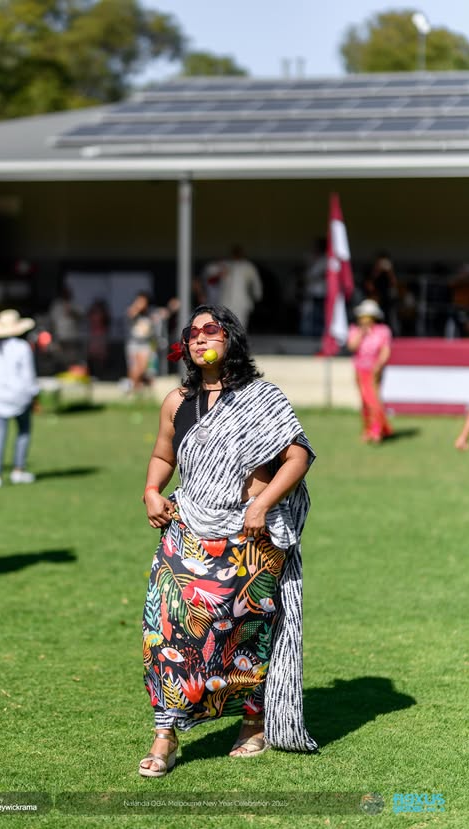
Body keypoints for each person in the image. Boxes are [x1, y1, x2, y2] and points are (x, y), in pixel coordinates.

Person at [139, 304, 317, 777]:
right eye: (191, 332)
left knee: (243, 635)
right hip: (187, 531)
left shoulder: (263, 397)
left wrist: (261, 505)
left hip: (250, 537)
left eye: (209, 329)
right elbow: (162, 454)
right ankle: (165, 734)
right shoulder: (177, 401)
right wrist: (152, 490)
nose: (198, 338)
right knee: (165, 629)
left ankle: (252, 722)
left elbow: (297, 457)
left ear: (231, 338)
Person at [0, 309, 39, 490]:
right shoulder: (21, 347)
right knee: (23, 432)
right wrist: (34, 394)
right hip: (19, 396)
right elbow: (29, 375)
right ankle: (18, 469)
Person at [347, 299, 393, 444]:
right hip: (360, 370)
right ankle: (367, 429)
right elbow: (352, 347)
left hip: (374, 371)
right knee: (364, 401)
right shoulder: (355, 330)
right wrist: (361, 333)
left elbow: (385, 350)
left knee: (374, 400)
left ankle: (377, 430)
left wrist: (379, 365)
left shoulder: (383, 331)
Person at [217, 245, 263, 330]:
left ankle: (239, 341)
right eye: (235, 253)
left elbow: (256, 282)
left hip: (242, 301)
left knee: (241, 323)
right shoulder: (225, 265)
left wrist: (257, 295)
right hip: (226, 300)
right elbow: (215, 281)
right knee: (225, 323)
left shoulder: (248, 266)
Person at [300, 237, 327, 336]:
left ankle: (318, 334)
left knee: (319, 315)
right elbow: (307, 273)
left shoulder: (326, 259)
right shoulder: (312, 257)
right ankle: (308, 333)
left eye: (317, 246)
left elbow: (321, 274)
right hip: (311, 290)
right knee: (308, 314)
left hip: (321, 291)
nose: (315, 248)